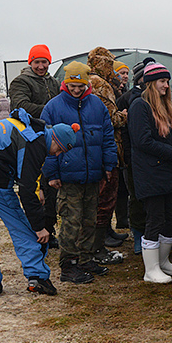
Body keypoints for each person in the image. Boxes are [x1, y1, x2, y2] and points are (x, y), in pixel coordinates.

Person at [0, 108, 77, 297]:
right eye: (59, 149)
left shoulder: (25, 127)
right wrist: (39, 227)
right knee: (19, 225)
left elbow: (23, 171)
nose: (57, 154)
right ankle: (37, 277)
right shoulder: (36, 142)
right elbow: (26, 190)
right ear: (54, 139)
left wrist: (37, 190)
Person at [41, 62, 118, 284]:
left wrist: (108, 165)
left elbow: (107, 137)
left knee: (89, 219)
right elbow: (45, 144)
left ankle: (85, 259)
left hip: (93, 175)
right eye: (72, 86)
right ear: (65, 84)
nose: (76, 90)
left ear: (87, 84)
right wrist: (52, 174)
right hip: (67, 178)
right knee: (71, 221)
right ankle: (69, 265)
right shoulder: (53, 108)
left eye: (80, 86)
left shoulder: (97, 106)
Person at [128, 63, 172, 284]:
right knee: (155, 219)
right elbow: (142, 141)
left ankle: (162, 261)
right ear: (151, 83)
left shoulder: (164, 106)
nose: (166, 85)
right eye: (162, 81)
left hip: (167, 172)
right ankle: (150, 269)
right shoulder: (139, 106)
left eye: (167, 81)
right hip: (150, 173)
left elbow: (170, 134)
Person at [8, 44, 62, 245]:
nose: (41, 66)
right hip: (30, 141)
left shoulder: (54, 82)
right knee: (37, 187)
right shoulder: (21, 82)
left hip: (53, 140)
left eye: (44, 62)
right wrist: (51, 110)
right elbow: (21, 106)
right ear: (30, 62)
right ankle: (38, 229)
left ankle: (49, 228)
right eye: (37, 62)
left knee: (52, 187)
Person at [88, 47, 128, 258]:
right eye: (109, 65)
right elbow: (110, 118)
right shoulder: (100, 84)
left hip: (99, 146)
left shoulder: (90, 81)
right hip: (108, 145)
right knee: (106, 195)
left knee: (103, 196)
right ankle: (99, 241)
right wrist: (124, 116)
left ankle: (105, 232)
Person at [116, 58, 154, 255]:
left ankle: (154, 234)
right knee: (137, 196)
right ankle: (138, 234)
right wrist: (127, 156)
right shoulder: (128, 98)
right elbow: (122, 130)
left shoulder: (159, 97)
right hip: (134, 157)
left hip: (155, 156)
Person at [112, 60, 131, 233]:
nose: (124, 76)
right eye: (121, 73)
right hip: (116, 141)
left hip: (123, 142)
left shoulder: (124, 91)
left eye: (126, 73)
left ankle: (123, 219)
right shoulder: (112, 92)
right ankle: (121, 219)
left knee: (124, 185)